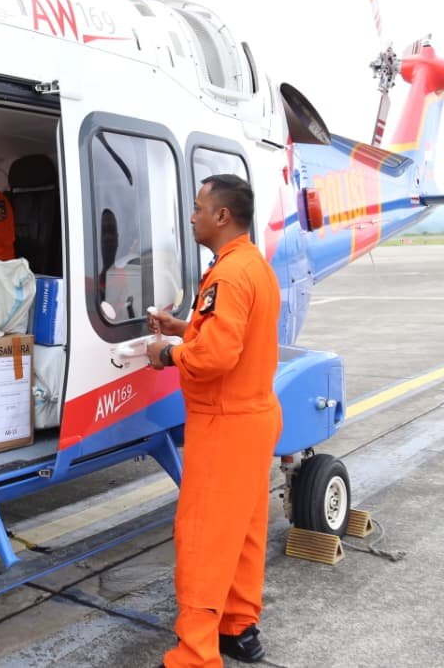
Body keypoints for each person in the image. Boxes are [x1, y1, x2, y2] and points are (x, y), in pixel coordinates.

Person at [146, 174, 282, 668]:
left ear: (222, 215)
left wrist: (166, 353)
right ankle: (238, 628)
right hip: (253, 416)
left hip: (223, 423)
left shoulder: (228, 274)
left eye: (199, 208)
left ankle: (195, 654)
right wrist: (186, 329)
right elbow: (232, 335)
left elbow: (216, 357)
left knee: (204, 537)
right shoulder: (252, 265)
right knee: (242, 531)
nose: (192, 216)